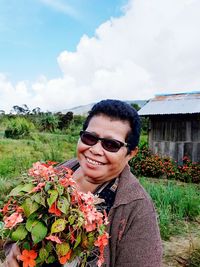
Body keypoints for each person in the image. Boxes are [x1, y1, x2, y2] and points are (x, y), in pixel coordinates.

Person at [3, 99, 163, 267]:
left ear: (131, 153)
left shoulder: (137, 209)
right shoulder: (58, 173)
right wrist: (14, 249)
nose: (95, 150)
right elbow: (19, 228)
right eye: (89, 138)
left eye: (111, 144)